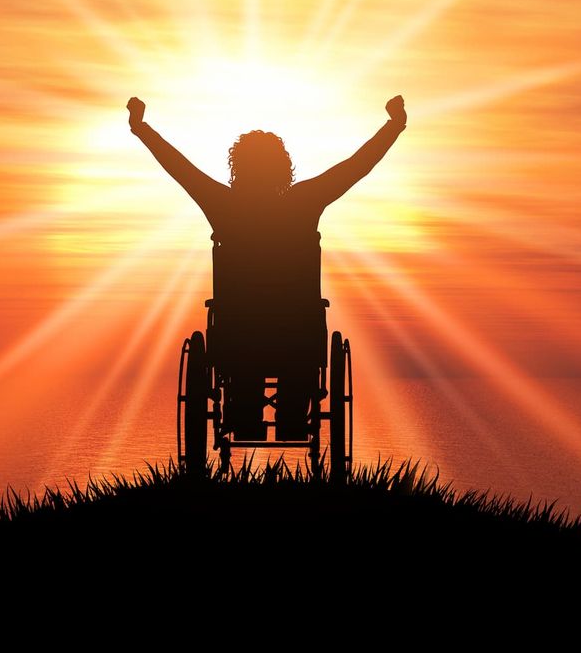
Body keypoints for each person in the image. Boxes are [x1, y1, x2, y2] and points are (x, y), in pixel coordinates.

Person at [127, 93, 406, 441]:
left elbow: (179, 168)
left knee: (243, 346)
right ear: (282, 167)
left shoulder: (223, 204)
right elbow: (355, 167)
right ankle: (291, 415)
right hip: (298, 331)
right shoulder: (306, 200)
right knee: (295, 344)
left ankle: (244, 413)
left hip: (237, 333)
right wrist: (394, 126)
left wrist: (141, 128)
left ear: (238, 167)